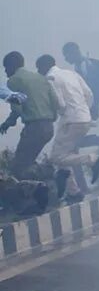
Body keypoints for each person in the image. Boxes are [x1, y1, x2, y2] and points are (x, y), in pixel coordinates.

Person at [37, 55, 99, 202]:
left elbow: (60, 104)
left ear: (44, 67)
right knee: (64, 156)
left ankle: (92, 159)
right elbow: (89, 94)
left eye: (39, 69)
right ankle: (74, 192)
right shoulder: (71, 73)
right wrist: (84, 110)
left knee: (56, 157)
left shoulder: (50, 79)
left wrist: (58, 112)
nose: (39, 72)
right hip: (85, 118)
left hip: (70, 121)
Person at [1, 52, 58, 189]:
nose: (5, 71)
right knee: (28, 161)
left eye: (6, 67)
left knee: (18, 166)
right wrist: (51, 117)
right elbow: (55, 101)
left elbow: (16, 107)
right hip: (49, 127)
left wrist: (7, 123)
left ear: (11, 65)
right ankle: (45, 183)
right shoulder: (41, 78)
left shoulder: (14, 80)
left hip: (34, 128)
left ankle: (50, 175)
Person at [61, 42, 99, 171]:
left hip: (88, 108)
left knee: (70, 142)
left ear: (74, 52)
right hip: (87, 107)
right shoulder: (82, 65)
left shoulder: (85, 66)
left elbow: (90, 89)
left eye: (66, 55)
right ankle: (97, 142)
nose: (66, 59)